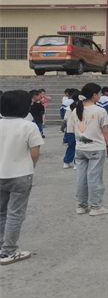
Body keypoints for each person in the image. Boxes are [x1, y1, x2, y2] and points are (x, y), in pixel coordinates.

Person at [0, 90, 44, 265]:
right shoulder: (28, 126)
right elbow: (35, 153)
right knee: (15, 214)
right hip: (20, 174)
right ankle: (9, 251)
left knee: (1, 212)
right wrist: (31, 165)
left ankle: (1, 246)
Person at [71, 83, 108, 216]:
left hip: (80, 147)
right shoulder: (100, 111)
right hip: (96, 147)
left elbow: (72, 130)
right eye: (99, 93)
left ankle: (81, 205)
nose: (100, 95)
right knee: (95, 178)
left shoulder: (76, 110)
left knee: (81, 177)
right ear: (94, 95)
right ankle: (96, 206)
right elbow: (105, 130)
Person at [62, 90, 80, 169]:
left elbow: (65, 118)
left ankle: (66, 162)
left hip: (70, 130)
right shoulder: (82, 107)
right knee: (79, 147)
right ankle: (76, 163)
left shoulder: (69, 107)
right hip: (79, 130)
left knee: (70, 146)